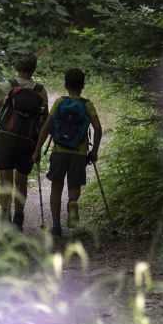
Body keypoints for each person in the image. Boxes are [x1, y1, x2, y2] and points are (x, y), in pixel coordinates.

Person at [33, 68, 102, 237]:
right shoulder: (87, 105)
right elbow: (98, 129)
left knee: (56, 187)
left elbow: (46, 127)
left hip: (59, 151)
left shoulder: (59, 102)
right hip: (79, 152)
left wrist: (37, 150)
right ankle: (72, 201)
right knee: (74, 185)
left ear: (65, 85)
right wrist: (94, 151)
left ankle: (56, 226)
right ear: (83, 86)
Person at [0, 52, 48, 230]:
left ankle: (5, 219)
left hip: (6, 139)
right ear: (33, 69)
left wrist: (6, 121)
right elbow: (44, 122)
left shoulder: (8, 85)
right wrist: (37, 146)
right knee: (21, 180)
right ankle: (19, 221)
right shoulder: (40, 91)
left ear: (17, 67)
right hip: (28, 142)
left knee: (5, 180)